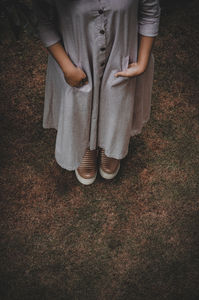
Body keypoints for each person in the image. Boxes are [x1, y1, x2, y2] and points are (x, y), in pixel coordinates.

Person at [33, 0, 161, 185]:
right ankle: (86, 148)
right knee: (80, 105)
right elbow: (43, 20)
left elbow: (149, 12)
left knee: (117, 102)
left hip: (120, 59)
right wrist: (67, 68)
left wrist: (142, 62)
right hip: (75, 61)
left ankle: (110, 147)